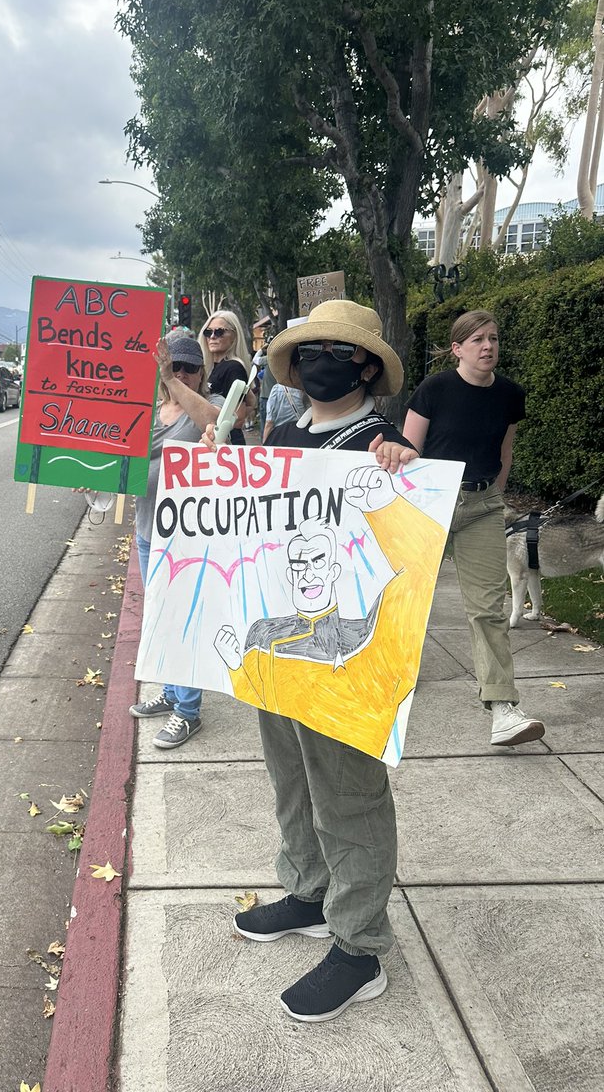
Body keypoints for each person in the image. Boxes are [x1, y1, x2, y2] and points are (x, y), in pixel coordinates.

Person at [205, 299, 418, 1024]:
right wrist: (218, 466)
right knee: (290, 778)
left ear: (365, 363)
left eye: (340, 349)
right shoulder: (284, 434)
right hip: (280, 645)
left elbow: (412, 547)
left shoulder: (381, 444)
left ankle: (359, 948)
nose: (323, 360)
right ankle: (308, 893)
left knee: (349, 793)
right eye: (311, 348)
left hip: (344, 660)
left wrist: (403, 474)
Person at [403, 309, 544, 747]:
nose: (488, 346)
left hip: (483, 506)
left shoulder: (509, 395)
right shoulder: (434, 389)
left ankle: (503, 707)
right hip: (431, 502)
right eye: (478, 339)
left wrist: (494, 496)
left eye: (494, 338)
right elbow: (409, 450)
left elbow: (505, 452)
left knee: (487, 609)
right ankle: (383, 677)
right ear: (457, 348)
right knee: (404, 596)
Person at [130, 331, 223, 749]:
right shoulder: (147, 410)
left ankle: (188, 712)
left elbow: (215, 426)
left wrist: (175, 382)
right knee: (163, 620)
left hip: (187, 537)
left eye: (189, 367)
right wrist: (91, 479)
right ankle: (171, 694)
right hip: (148, 529)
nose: (180, 372)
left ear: (201, 373)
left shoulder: (213, 404)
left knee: (184, 621)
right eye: (173, 365)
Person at [197, 310, 252, 445]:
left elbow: (238, 418)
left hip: (224, 443)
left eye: (219, 331)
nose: (213, 336)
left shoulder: (233, 367)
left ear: (234, 335)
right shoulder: (211, 367)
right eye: (208, 332)